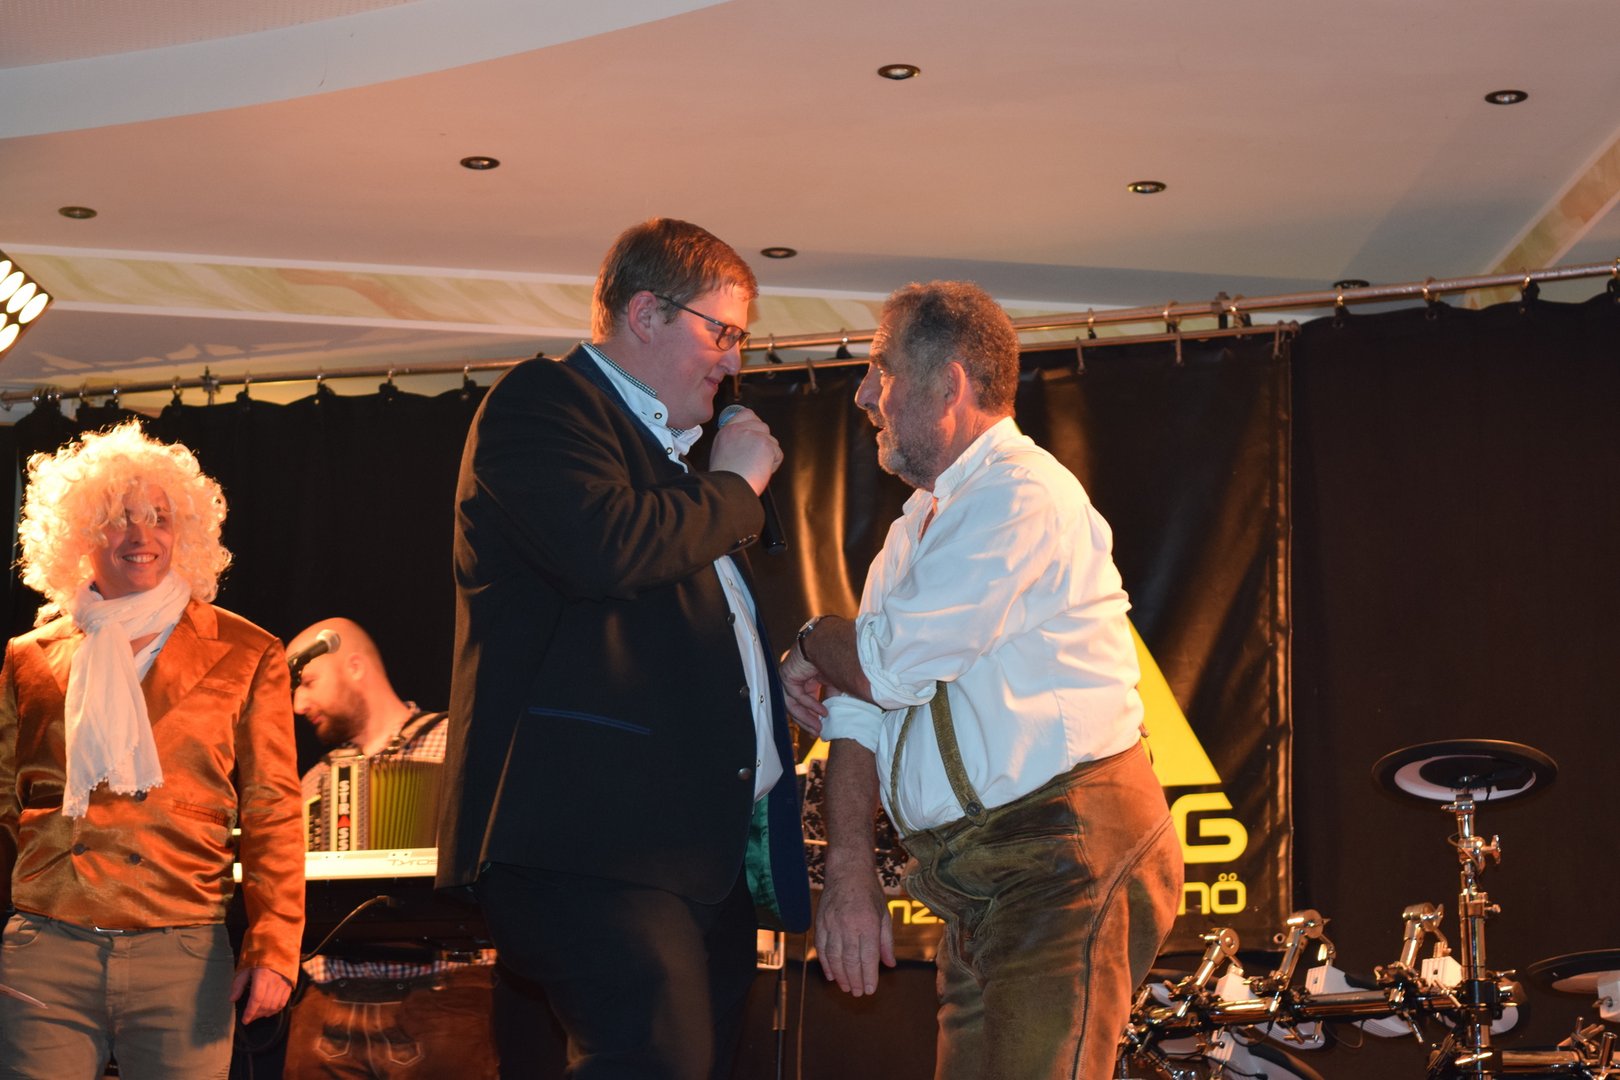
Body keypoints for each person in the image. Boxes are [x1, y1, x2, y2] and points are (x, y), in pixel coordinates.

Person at [779, 281, 1184, 1079]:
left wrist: (816, 636)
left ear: (951, 384)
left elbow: (882, 668)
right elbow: (860, 707)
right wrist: (850, 872)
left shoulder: (1019, 493)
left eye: (881, 371)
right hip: (976, 882)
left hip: (1059, 857)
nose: (863, 396)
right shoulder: (910, 533)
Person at [437, 217, 811, 1079]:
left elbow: (664, 622)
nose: (733, 361)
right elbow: (606, 549)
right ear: (646, 313)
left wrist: (767, 686)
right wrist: (736, 484)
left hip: (694, 859)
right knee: (654, 1060)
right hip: (592, 843)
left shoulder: (673, 469)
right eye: (721, 333)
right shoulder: (544, 402)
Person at [0, 420, 304, 1078]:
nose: (143, 536)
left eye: (160, 518)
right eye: (119, 518)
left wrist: (275, 946)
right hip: (47, 946)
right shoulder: (29, 656)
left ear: (185, 532)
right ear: (79, 535)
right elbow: (4, 805)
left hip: (182, 951)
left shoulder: (248, 652)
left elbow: (272, 809)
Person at [284, 618, 498, 1079]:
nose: (298, 704)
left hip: (443, 996)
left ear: (355, 666)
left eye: (308, 682)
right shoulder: (316, 781)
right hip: (329, 1005)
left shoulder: (455, 746)